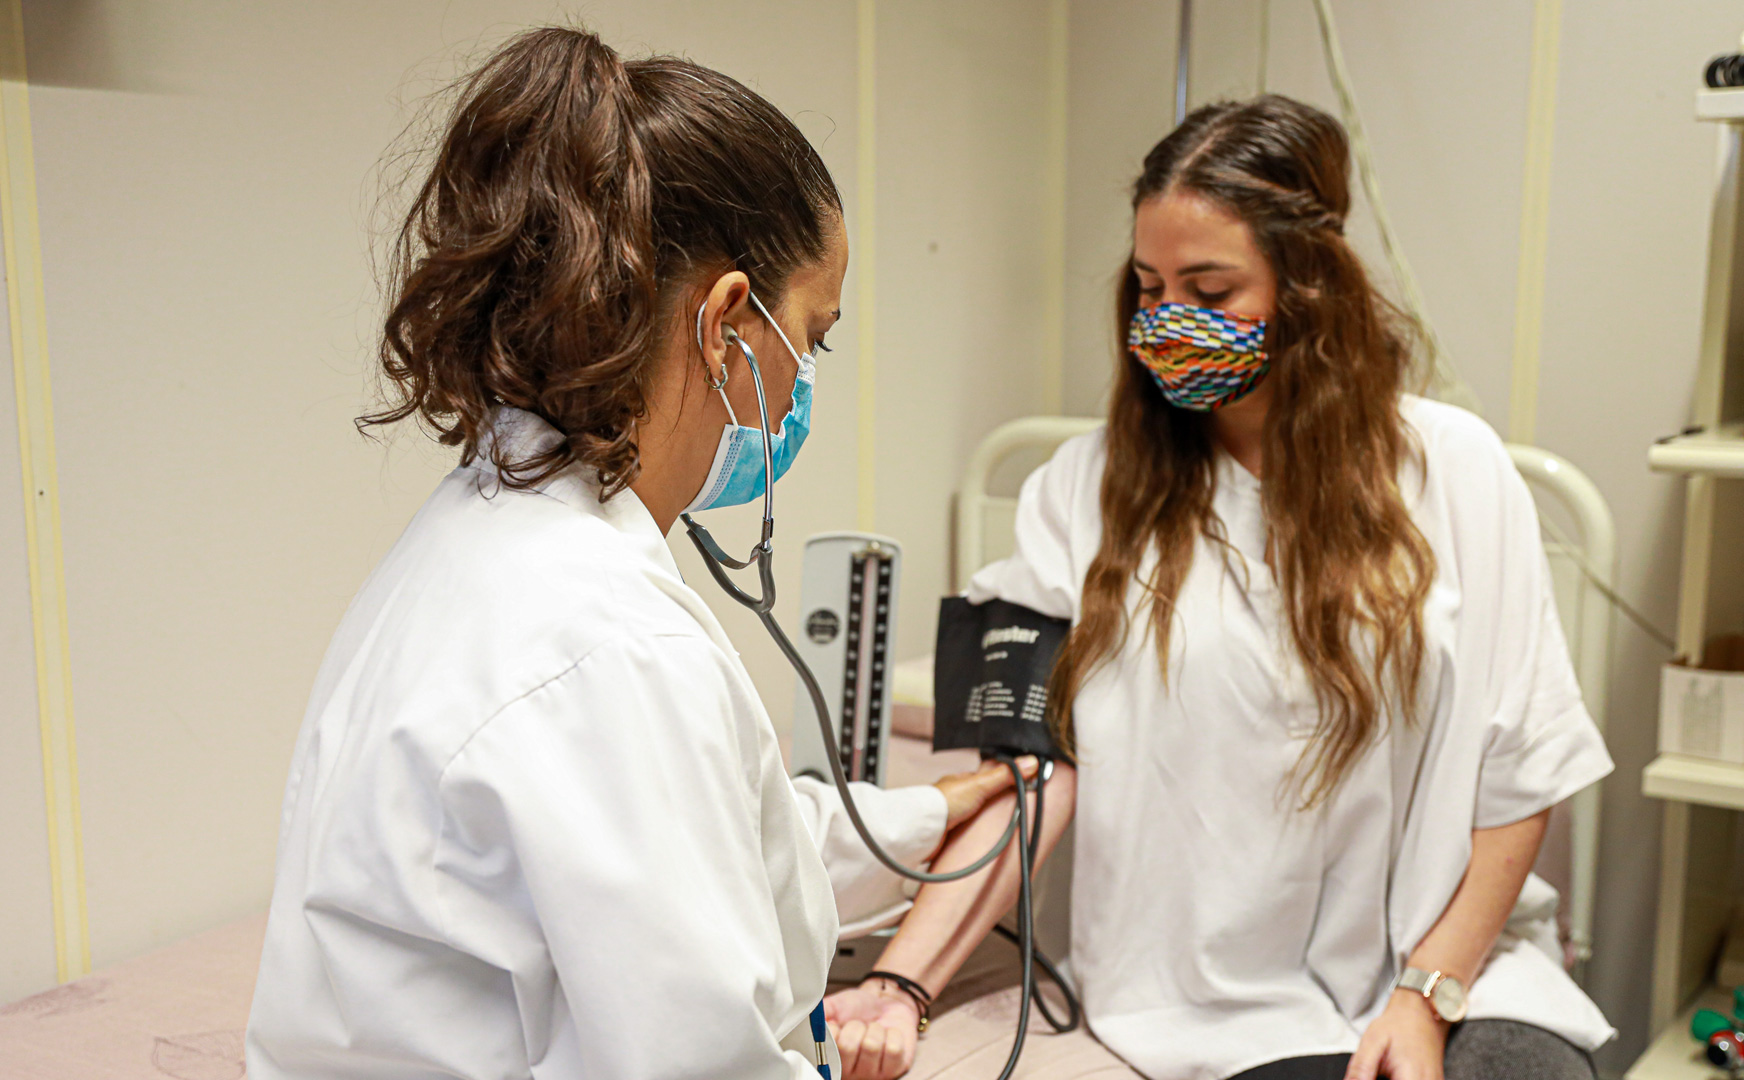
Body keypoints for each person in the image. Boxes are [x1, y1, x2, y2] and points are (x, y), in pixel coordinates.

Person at [244, 28, 1025, 1080]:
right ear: (727, 324)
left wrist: (932, 810)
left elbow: (710, 851)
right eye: (813, 336)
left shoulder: (478, 539)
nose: (803, 389)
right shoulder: (611, 647)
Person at [823, 95, 1615, 1080]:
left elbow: (1519, 774)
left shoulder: (1458, 473)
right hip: (1214, 1004)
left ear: (1311, 288)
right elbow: (1023, 772)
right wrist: (899, 985)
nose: (1169, 322)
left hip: (1453, 965)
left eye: (1212, 289)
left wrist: (1426, 994)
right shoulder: (1078, 493)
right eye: (1151, 286)